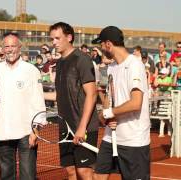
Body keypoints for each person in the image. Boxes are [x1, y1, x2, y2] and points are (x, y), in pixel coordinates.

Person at [92, 26, 150, 180]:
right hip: (111, 137)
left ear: (109, 44)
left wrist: (109, 113)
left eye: (102, 44)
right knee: (98, 176)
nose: (101, 48)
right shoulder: (111, 68)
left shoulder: (135, 65)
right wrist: (105, 115)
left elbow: (136, 103)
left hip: (134, 139)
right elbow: (109, 102)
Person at [47, 22, 99, 180]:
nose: (53, 42)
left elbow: (92, 94)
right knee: (70, 170)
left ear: (69, 37)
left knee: (84, 171)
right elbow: (60, 95)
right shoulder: (60, 63)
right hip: (65, 127)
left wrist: (82, 128)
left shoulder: (82, 59)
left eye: (57, 38)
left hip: (83, 126)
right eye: (52, 39)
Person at [0, 32, 46, 180]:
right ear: (2, 49)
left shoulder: (31, 70)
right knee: (5, 176)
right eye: (6, 46)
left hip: (26, 132)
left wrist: (36, 130)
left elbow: (39, 101)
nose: (9, 49)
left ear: (20, 48)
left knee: (28, 176)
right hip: (2, 132)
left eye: (13, 46)